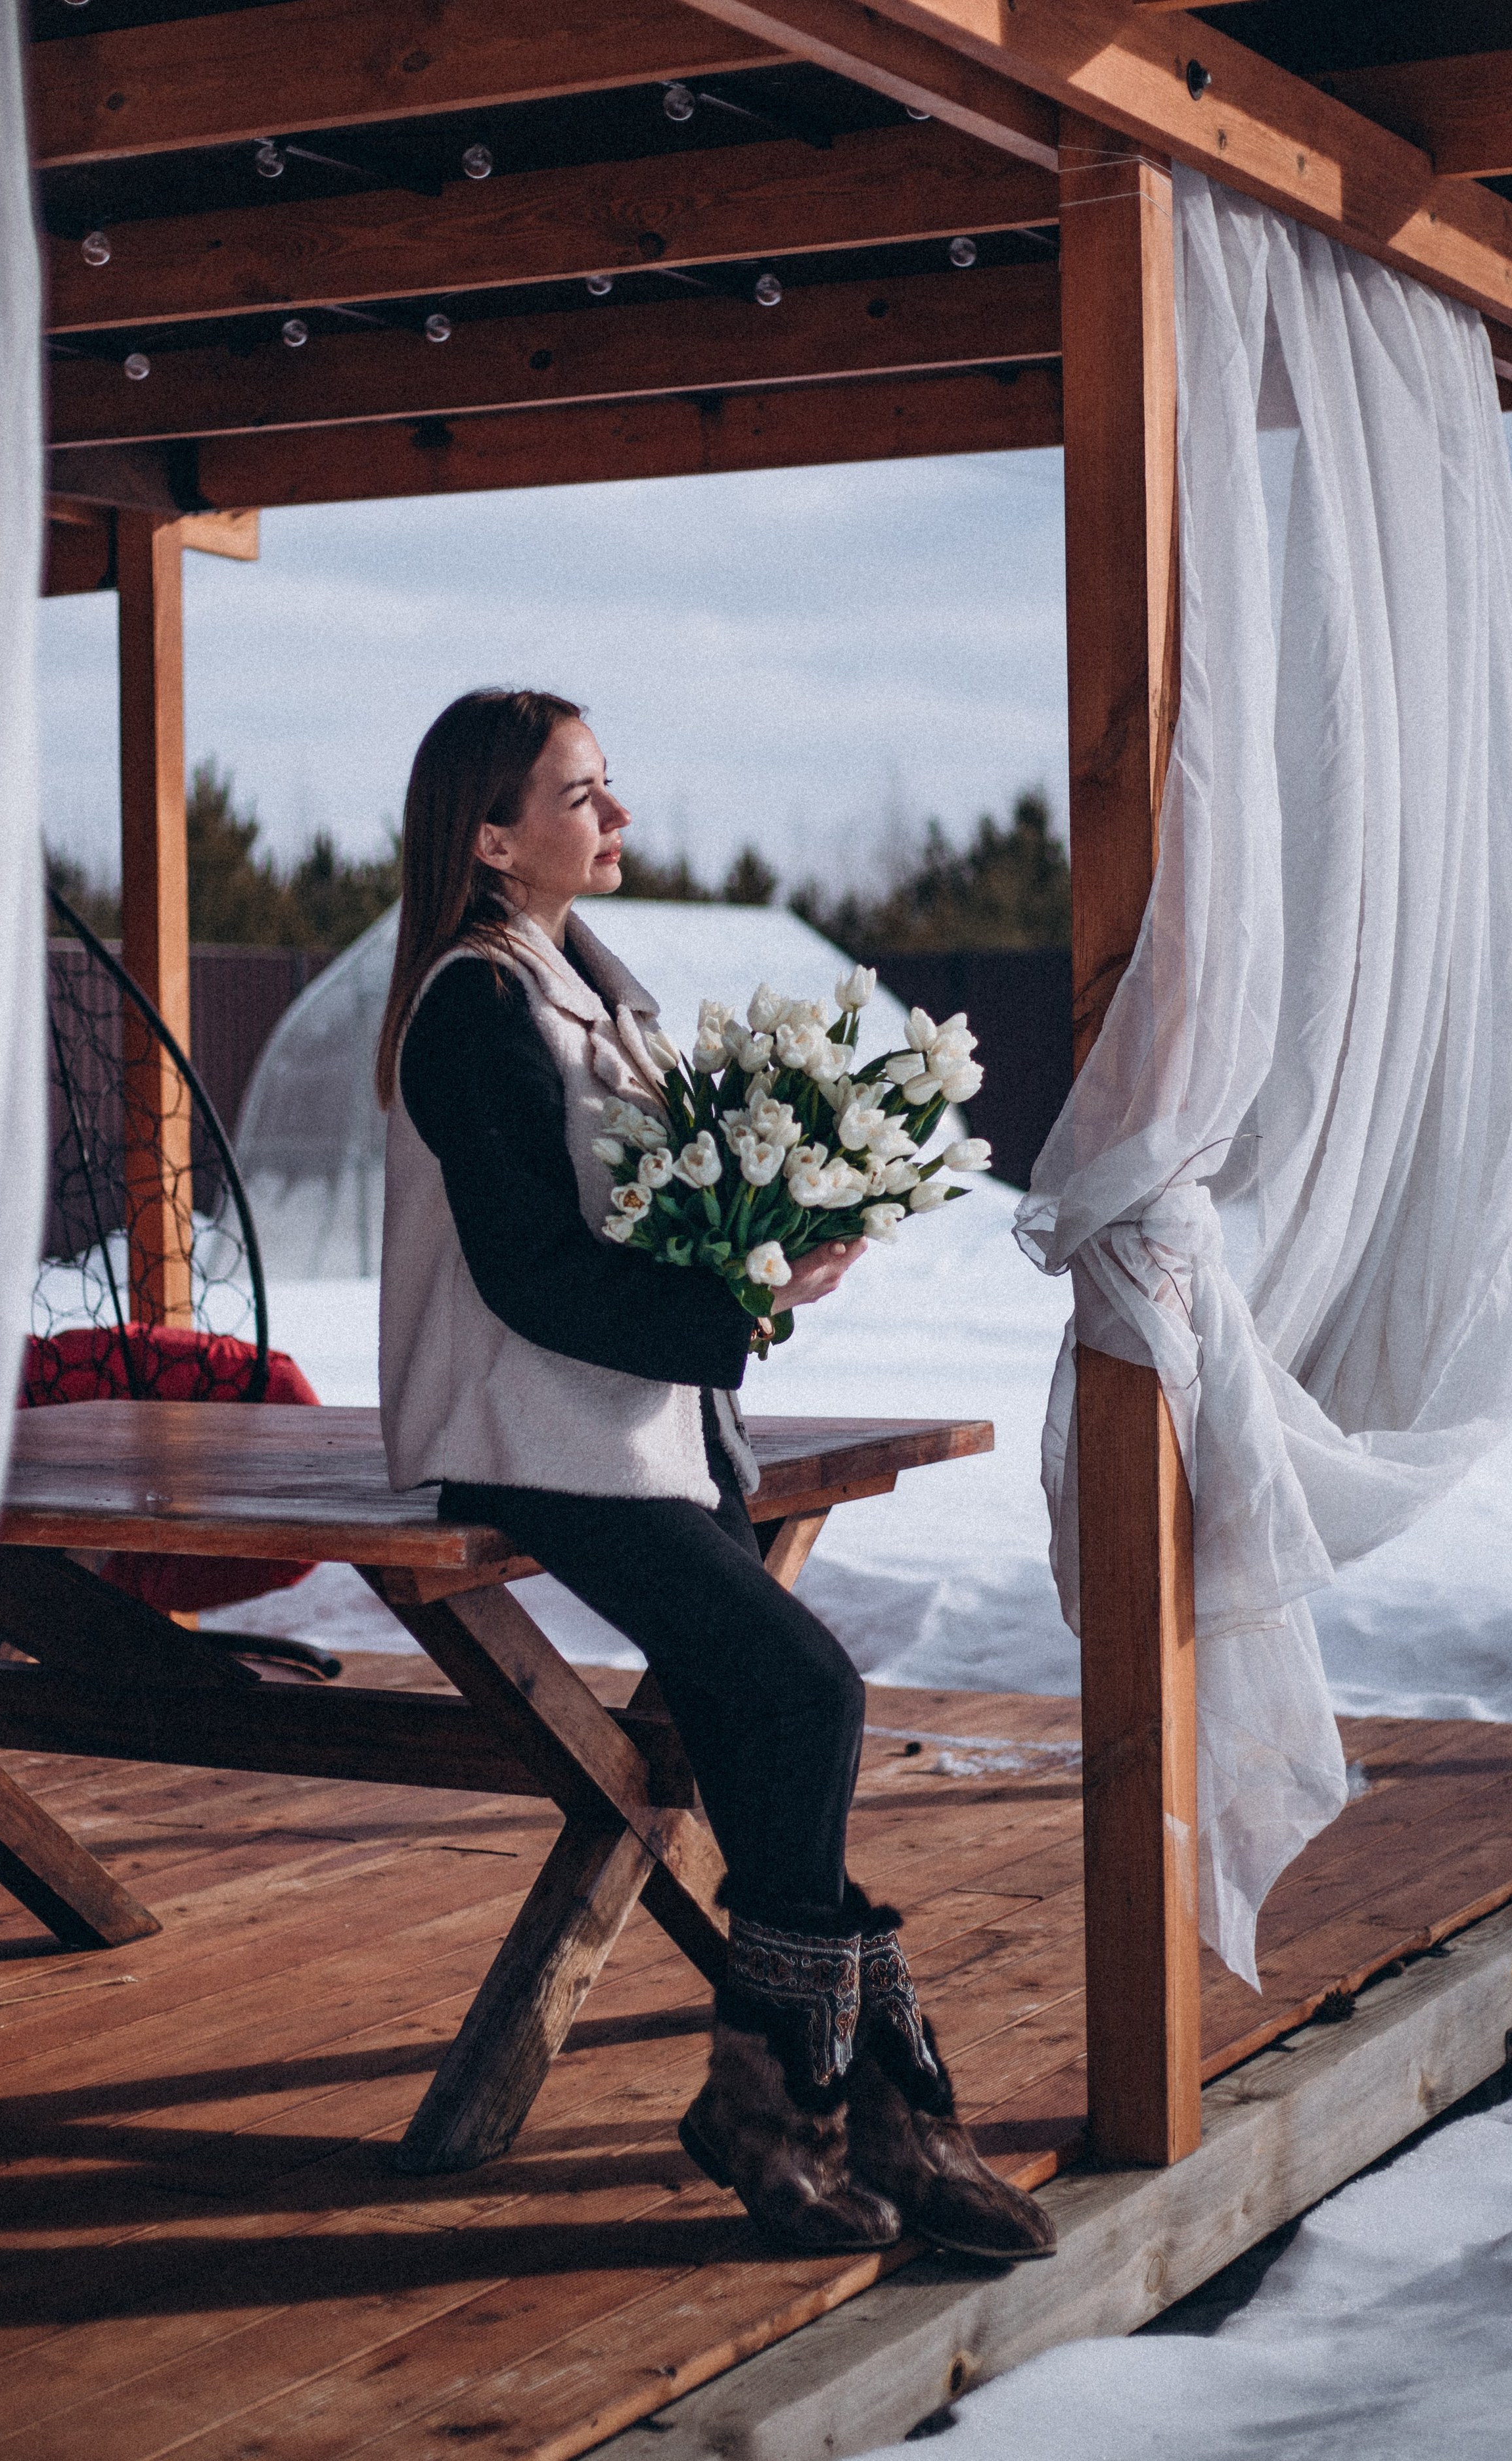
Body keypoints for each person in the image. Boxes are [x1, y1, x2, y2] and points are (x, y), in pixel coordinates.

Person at [375, 687, 1054, 2263]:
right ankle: (813, 2100)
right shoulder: (474, 1005)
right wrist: (736, 1301)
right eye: (583, 794)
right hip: (526, 1440)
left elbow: (627, 1240)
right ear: (489, 838)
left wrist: (764, 1260)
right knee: (804, 1691)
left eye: (609, 789)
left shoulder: (583, 987)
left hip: (633, 1431)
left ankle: (846, 2113)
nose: (616, 818)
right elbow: (531, 1275)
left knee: (767, 1723)